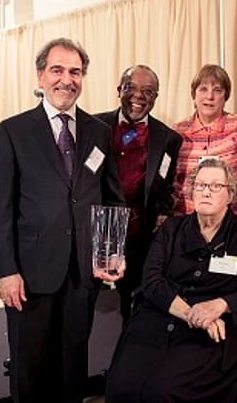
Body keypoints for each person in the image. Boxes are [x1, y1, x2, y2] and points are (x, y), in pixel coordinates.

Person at [0, 38, 125, 403]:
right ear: (41, 75)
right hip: (29, 275)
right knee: (30, 368)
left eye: (75, 72)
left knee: (73, 364)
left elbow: (111, 198)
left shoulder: (98, 132)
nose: (67, 79)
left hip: (82, 274)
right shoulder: (12, 131)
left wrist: (112, 252)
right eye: (57, 70)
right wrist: (5, 271)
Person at [106, 158, 237, 403]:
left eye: (215, 186)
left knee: (164, 390)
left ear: (231, 194)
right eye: (200, 185)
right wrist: (193, 315)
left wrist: (221, 305)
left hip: (212, 335)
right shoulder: (171, 230)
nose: (205, 192)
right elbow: (152, 281)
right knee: (120, 386)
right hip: (160, 319)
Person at [95, 65, 183, 320]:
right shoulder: (93, 125)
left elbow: (167, 184)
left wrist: (165, 211)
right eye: (131, 88)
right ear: (119, 90)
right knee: (84, 299)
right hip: (96, 228)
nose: (138, 96)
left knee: (134, 298)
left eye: (148, 91)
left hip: (138, 232)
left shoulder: (169, 139)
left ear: (156, 97)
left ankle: (130, 352)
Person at [173, 64, 237, 219]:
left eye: (217, 90)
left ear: (225, 96)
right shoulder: (177, 132)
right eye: (203, 89)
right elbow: (172, 182)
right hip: (185, 222)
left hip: (231, 222)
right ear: (194, 95)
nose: (210, 96)